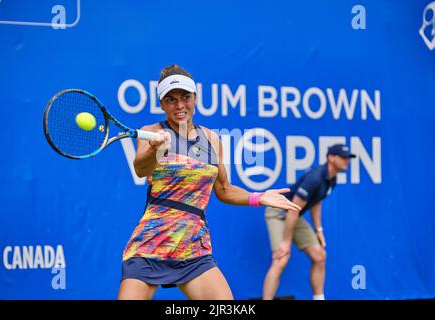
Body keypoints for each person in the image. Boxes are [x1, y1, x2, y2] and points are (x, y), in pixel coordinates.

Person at [117, 64, 301, 300]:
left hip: (193, 247)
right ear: (162, 104)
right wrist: (155, 150)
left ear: (195, 98)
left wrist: (259, 197)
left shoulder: (211, 139)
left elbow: (224, 189)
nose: (180, 105)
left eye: (185, 97)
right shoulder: (151, 132)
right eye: (171, 100)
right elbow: (141, 169)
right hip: (151, 243)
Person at [262, 144, 356, 300]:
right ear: (331, 158)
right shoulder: (315, 177)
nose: (347, 161)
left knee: (320, 256)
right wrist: (286, 242)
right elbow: (293, 209)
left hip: (294, 214)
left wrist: (319, 230)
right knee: (281, 259)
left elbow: (316, 203)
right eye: (344, 157)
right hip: (279, 212)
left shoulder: (331, 179)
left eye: (348, 158)